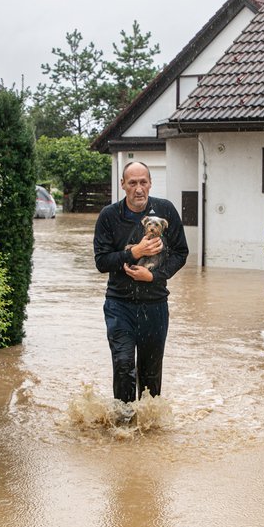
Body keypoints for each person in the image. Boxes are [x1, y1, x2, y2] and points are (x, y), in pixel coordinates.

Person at [93, 161, 189, 409]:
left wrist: (154, 276)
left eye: (143, 182)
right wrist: (133, 253)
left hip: (155, 305)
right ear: (123, 184)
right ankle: (124, 426)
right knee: (124, 366)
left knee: (150, 375)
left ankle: (148, 432)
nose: (138, 188)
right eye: (132, 182)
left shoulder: (165, 210)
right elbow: (102, 261)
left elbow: (180, 252)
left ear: (150, 184)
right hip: (119, 305)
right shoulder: (109, 216)